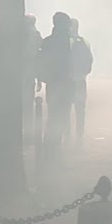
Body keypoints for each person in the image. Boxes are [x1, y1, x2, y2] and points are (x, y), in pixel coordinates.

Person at [38, 12, 76, 156]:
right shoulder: (70, 42)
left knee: (55, 116)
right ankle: (53, 149)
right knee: (59, 117)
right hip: (63, 84)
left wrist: (44, 78)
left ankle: (51, 147)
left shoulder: (48, 41)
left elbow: (41, 62)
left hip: (54, 85)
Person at [69, 18, 93, 144]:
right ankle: (80, 134)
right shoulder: (85, 42)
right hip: (81, 81)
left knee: (66, 107)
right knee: (80, 109)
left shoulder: (67, 42)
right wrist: (83, 74)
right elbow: (90, 60)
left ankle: (66, 134)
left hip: (69, 81)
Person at [21, 14, 43, 132]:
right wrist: (39, 78)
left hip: (18, 71)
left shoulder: (17, 33)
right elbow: (39, 55)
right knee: (28, 102)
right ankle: (28, 129)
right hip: (30, 71)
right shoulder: (36, 34)